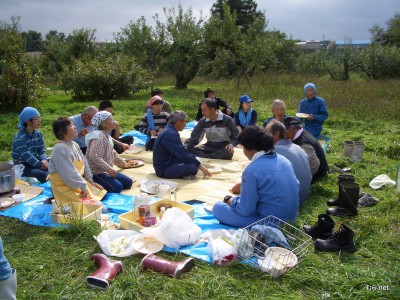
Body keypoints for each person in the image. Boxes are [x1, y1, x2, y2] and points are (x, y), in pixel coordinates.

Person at [212, 126, 299, 228]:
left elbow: (245, 210)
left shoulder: (251, 170)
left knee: (218, 208)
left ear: (250, 148)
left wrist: (230, 200)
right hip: (291, 219)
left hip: (270, 223)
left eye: (243, 147)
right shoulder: (284, 160)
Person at [48, 117, 106, 207]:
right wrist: (83, 187)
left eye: (74, 124)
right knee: (95, 207)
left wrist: (90, 181)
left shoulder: (74, 144)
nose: (75, 127)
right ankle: (56, 198)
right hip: (64, 186)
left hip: (76, 183)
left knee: (100, 194)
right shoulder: (59, 149)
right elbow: (69, 174)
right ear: (62, 131)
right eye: (71, 125)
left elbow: (85, 163)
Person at [153, 111, 212, 179]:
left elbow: (180, 152)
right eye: (185, 122)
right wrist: (200, 166)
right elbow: (182, 154)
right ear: (178, 121)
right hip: (164, 169)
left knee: (194, 161)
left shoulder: (169, 130)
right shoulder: (170, 134)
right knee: (193, 166)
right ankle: (183, 174)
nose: (185, 125)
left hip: (168, 162)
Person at [85, 111, 133, 193]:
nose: (114, 121)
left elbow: (112, 152)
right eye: (111, 119)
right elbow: (93, 155)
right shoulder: (98, 136)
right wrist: (109, 169)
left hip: (105, 171)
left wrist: (122, 163)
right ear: (103, 124)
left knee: (128, 182)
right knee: (117, 187)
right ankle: (94, 187)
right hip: (96, 173)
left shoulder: (105, 135)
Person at [266, 120, 312, 204]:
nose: (264, 136)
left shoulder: (274, 152)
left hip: (290, 201)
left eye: (267, 132)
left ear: (276, 134)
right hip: (305, 195)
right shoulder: (298, 148)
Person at [283, 116, 328, 182]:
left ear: (294, 129)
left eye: (286, 132)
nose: (284, 136)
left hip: (317, 175)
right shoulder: (301, 134)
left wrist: (301, 180)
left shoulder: (304, 143)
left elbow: (314, 165)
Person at [11, 107, 49, 183]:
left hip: (37, 163)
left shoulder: (38, 134)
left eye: (39, 117)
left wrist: (44, 160)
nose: (39, 120)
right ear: (28, 121)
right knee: (43, 175)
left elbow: (41, 150)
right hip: (24, 167)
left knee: (57, 166)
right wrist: (41, 165)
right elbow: (28, 157)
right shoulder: (19, 138)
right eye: (37, 118)